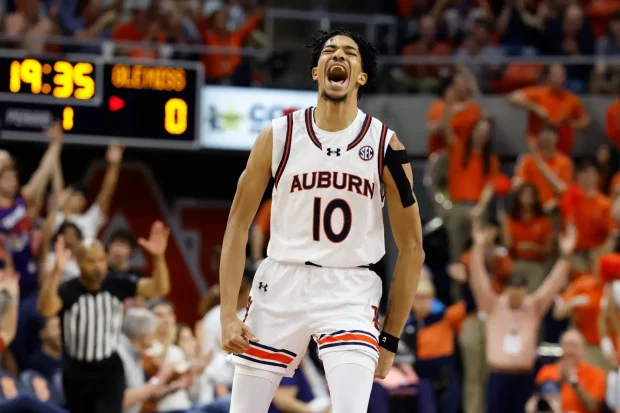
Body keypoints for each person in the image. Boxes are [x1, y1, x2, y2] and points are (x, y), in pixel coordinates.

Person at [219, 29, 425, 413]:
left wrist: (391, 339)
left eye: (350, 53)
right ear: (316, 71)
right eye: (330, 51)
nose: (339, 56)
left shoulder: (385, 146)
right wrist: (227, 314)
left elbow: (413, 247)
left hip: (349, 288)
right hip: (280, 281)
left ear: (361, 76)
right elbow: (236, 225)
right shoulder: (277, 136)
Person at [37, 220, 172, 413]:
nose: (98, 266)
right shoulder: (69, 290)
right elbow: (46, 309)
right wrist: (57, 270)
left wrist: (158, 257)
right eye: (91, 261)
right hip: (76, 371)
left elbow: (160, 287)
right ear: (78, 262)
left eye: (101, 259)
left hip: (109, 369)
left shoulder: (116, 284)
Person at [469, 218, 576, 413]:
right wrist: (478, 247)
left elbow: (553, 284)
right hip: (498, 375)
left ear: (525, 291)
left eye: (521, 290)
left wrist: (566, 255)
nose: (516, 294)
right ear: (506, 289)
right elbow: (478, 279)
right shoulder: (493, 304)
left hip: (525, 376)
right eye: (513, 289)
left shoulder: (533, 306)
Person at [54, 142, 123, 242]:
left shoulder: (90, 220)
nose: (78, 197)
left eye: (81, 195)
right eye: (73, 194)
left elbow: (107, 192)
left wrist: (114, 166)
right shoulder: (55, 218)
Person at [527, 330, 606, 413]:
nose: (571, 350)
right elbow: (537, 403)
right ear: (561, 346)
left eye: (575, 345)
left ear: (583, 349)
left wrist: (574, 381)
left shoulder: (596, 373)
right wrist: (560, 381)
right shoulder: (547, 370)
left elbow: (592, 407)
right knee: (549, 385)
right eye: (567, 345)